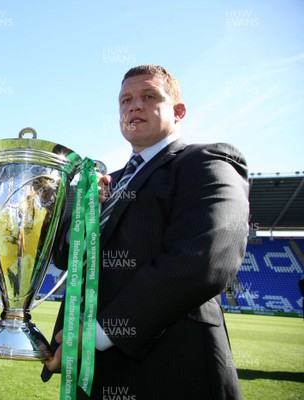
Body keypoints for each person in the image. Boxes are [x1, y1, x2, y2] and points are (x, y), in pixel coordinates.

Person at [42, 65, 249, 399]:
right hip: (90, 372)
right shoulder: (107, 181)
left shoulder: (206, 162)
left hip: (172, 371)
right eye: (125, 100)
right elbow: (65, 257)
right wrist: (82, 218)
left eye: (149, 96)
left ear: (178, 111)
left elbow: (204, 260)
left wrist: (99, 333)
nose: (134, 106)